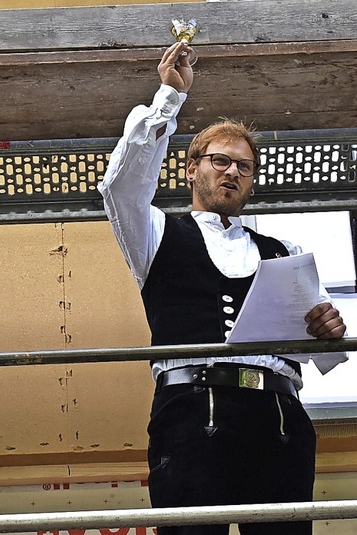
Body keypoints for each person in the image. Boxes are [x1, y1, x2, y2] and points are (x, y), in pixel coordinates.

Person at [98, 41, 347, 535]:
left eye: (244, 166)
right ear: (191, 169)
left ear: (252, 182)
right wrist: (168, 98)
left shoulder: (285, 248)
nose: (232, 170)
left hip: (279, 416)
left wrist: (328, 327)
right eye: (219, 160)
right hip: (192, 414)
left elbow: (319, 343)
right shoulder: (155, 233)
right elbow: (121, 186)